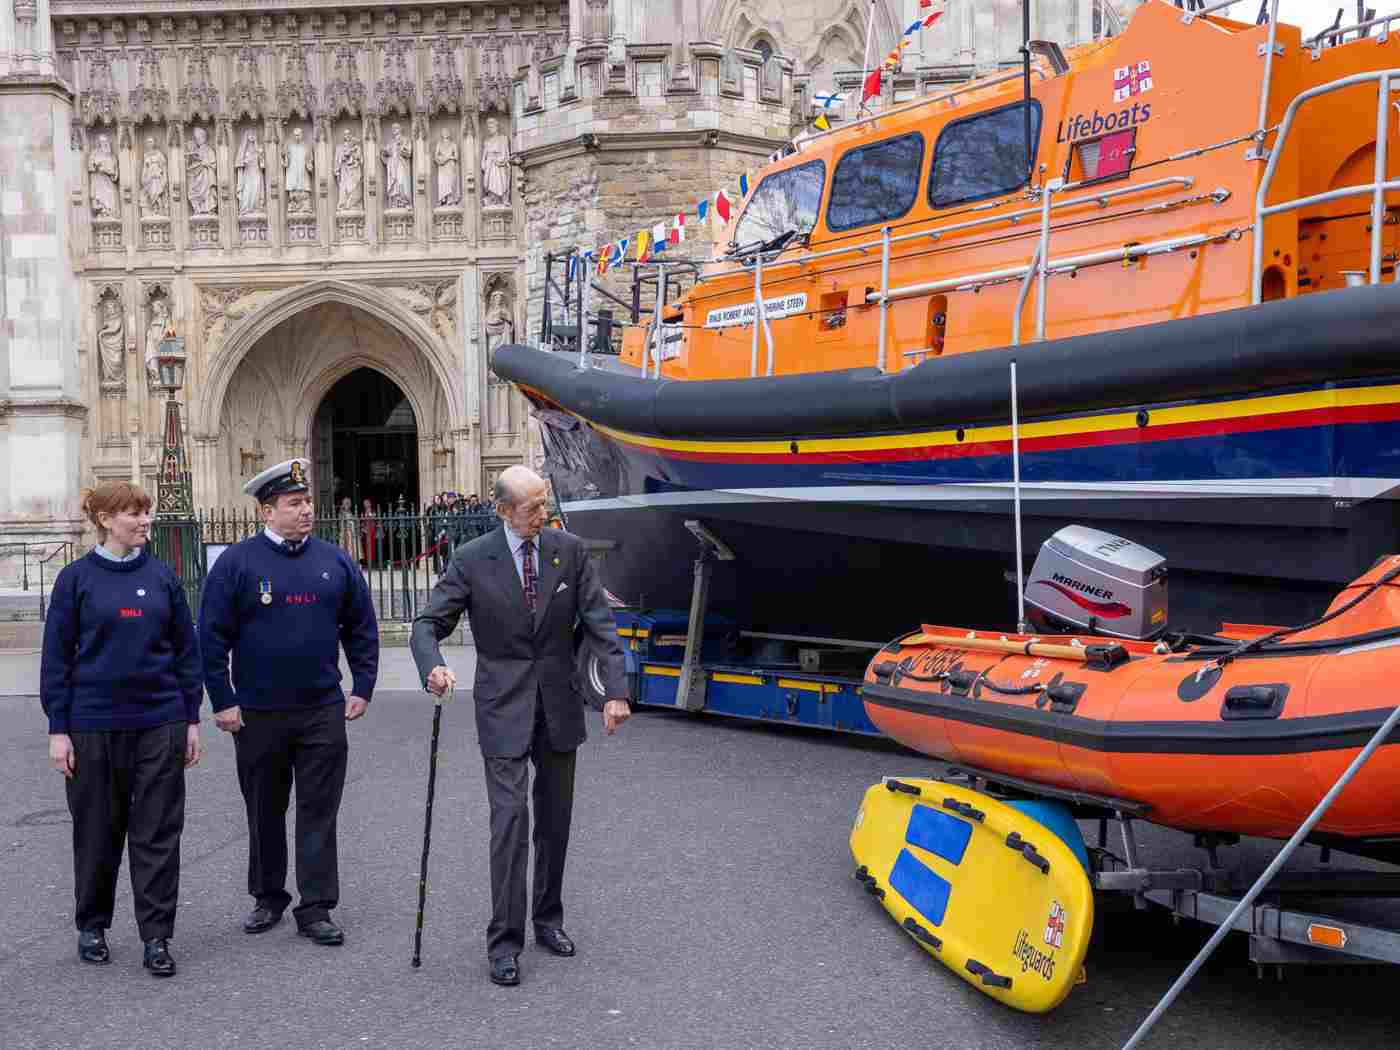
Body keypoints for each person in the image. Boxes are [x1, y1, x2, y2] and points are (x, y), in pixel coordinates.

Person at [410, 465, 630, 987]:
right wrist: (432, 665)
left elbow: (600, 622)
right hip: (502, 707)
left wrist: (616, 691)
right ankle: (504, 941)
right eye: (532, 507)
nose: (543, 514)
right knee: (509, 823)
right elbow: (426, 624)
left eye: (544, 503)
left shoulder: (568, 551)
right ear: (504, 510)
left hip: (558, 705)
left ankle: (547, 920)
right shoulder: (471, 559)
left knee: (554, 822)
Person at [199, 459, 379, 947]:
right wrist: (223, 699)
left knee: (319, 810)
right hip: (257, 712)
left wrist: (362, 684)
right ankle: (268, 896)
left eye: (307, 502)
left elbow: (360, 625)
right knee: (264, 808)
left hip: (321, 708)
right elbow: (211, 637)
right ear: (266, 511)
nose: (305, 512)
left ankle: (316, 906)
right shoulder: (237, 563)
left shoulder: (334, 560)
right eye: (294, 504)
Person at [40, 482, 203, 977]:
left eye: (147, 512)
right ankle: (92, 925)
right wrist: (58, 729)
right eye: (135, 513)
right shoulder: (75, 580)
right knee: (97, 831)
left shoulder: (162, 579)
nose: (146, 521)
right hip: (92, 726)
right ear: (107, 520)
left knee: (157, 834)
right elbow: (57, 659)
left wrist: (190, 717)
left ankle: (157, 936)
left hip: (159, 722)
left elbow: (185, 654)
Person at [336, 497, 362, 564]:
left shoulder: (350, 512)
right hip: (345, 532)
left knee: (353, 549)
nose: (347, 505)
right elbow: (341, 523)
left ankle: (353, 562)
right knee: (346, 549)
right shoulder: (341, 512)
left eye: (348, 503)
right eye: (346, 503)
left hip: (352, 532)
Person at [360, 498, 379, 568]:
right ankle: (367, 562)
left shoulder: (373, 511)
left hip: (372, 531)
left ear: (370, 504)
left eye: (367, 503)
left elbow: (375, 521)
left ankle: (373, 561)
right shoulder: (363, 512)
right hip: (366, 532)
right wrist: (362, 529)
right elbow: (362, 522)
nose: (366, 504)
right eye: (364, 503)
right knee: (366, 547)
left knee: (372, 547)